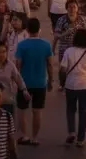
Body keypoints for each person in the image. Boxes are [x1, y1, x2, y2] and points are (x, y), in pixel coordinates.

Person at [13, 18, 52, 146]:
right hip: (41, 82)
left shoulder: (22, 45)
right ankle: (35, 137)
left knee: (22, 110)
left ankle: (25, 135)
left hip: (24, 83)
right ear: (39, 29)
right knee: (37, 111)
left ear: (27, 30)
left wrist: (16, 82)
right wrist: (51, 81)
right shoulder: (46, 45)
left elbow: (18, 65)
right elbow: (50, 64)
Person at [59, 28, 86, 147]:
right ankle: (81, 139)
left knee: (70, 109)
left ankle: (72, 132)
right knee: (83, 112)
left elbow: (63, 69)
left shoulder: (69, 51)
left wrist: (62, 83)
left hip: (71, 85)